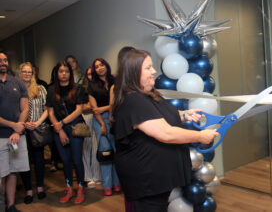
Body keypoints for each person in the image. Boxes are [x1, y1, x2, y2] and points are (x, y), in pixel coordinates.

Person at [112, 48, 219, 212]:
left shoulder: (148, 94)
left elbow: (160, 114)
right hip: (146, 182)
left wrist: (184, 115)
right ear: (134, 73)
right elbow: (165, 133)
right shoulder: (134, 101)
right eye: (148, 68)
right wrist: (200, 136)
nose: (154, 71)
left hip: (157, 181)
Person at [46, 61, 87, 204]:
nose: (64, 74)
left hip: (75, 127)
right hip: (59, 129)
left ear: (70, 73)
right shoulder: (51, 90)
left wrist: (62, 124)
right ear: (57, 74)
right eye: (61, 71)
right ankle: (69, 188)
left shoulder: (78, 88)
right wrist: (59, 128)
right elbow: (50, 111)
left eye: (67, 71)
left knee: (76, 159)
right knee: (65, 160)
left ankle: (80, 188)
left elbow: (79, 110)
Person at [0, 51, 30, 212]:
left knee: (12, 172)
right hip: (1, 137)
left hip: (17, 137)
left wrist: (18, 129)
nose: (3, 62)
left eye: (5, 60)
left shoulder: (17, 82)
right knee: (1, 174)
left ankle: (11, 205)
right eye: (0, 60)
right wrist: (14, 125)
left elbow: (25, 108)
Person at [88, 58, 120, 195]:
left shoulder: (115, 81)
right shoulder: (92, 85)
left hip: (116, 118)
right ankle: (107, 185)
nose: (100, 68)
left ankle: (117, 183)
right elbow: (95, 109)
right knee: (105, 152)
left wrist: (105, 108)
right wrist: (102, 124)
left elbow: (118, 102)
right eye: (96, 66)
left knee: (117, 152)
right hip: (100, 120)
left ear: (106, 66)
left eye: (102, 65)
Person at [18, 62, 48, 204]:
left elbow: (47, 108)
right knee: (25, 162)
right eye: (24, 71)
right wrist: (25, 122)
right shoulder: (15, 89)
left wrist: (37, 122)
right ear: (19, 73)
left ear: (33, 74)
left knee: (39, 161)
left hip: (37, 130)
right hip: (21, 130)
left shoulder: (40, 88)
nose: (27, 74)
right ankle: (29, 190)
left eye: (29, 72)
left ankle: (40, 188)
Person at [81, 67, 100, 188]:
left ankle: (97, 176)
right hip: (86, 118)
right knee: (86, 148)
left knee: (97, 147)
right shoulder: (82, 89)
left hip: (98, 118)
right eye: (88, 74)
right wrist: (92, 106)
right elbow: (81, 107)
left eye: (92, 73)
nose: (91, 76)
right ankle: (88, 177)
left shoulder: (99, 87)